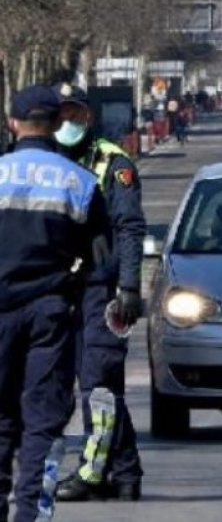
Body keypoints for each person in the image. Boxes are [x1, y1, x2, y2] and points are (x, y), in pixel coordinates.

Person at [0, 84, 111, 522]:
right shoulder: (80, 182)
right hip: (50, 312)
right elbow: (103, 260)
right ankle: (30, 513)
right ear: (57, 125)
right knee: (42, 422)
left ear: (13, 123)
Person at [51, 85, 146, 503]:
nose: (68, 124)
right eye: (61, 116)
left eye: (76, 116)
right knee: (99, 384)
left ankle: (91, 473)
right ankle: (124, 472)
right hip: (62, 288)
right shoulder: (46, 162)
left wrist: (129, 285)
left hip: (102, 289)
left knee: (98, 384)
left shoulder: (113, 161)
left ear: (89, 118)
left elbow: (130, 228)